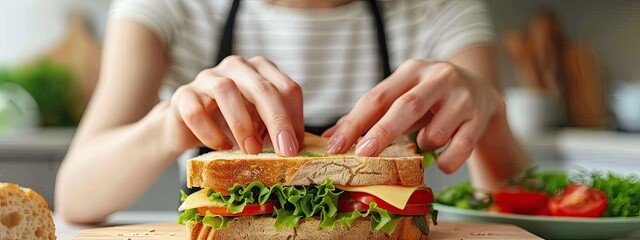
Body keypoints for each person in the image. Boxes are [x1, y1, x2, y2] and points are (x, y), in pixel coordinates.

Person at [55, 0, 531, 224]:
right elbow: (75, 194)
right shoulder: (171, 7)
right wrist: (166, 127)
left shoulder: (438, 8)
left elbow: (516, 206)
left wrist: (489, 113)